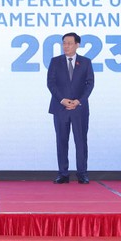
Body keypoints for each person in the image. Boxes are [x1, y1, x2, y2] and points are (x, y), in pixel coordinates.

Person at [47, 32, 95, 184]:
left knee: (81, 141)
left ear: (77, 45)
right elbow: (51, 83)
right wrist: (62, 100)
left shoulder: (86, 62)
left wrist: (78, 101)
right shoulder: (55, 61)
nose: (65, 46)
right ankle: (63, 173)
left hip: (79, 109)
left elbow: (90, 84)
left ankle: (82, 173)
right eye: (64, 43)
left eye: (69, 43)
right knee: (61, 141)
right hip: (60, 108)